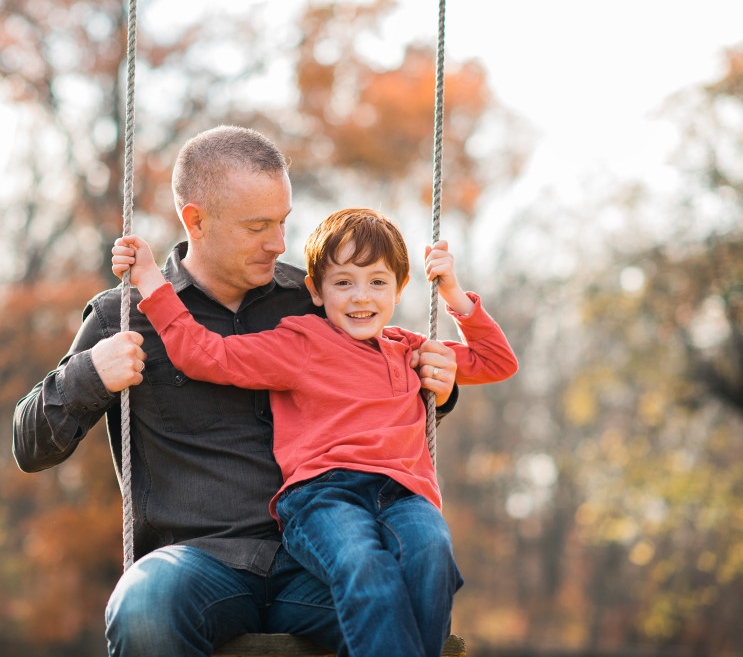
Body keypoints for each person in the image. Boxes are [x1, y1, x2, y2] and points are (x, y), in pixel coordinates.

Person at [13, 125, 459, 657]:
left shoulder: (312, 298)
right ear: (196, 220)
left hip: (314, 554)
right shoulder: (124, 316)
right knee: (143, 605)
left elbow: (380, 393)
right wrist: (89, 374)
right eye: (258, 226)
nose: (279, 243)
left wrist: (439, 385)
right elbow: (31, 447)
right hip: (199, 564)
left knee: (407, 582)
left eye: (283, 222)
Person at [112, 206, 518, 657]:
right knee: (366, 569)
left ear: (401, 289)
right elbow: (204, 354)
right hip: (324, 496)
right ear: (316, 292)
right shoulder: (300, 342)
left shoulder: (410, 349)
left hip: (404, 495)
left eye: (377, 282)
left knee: (432, 553)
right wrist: (151, 281)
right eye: (343, 282)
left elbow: (498, 361)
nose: (361, 297)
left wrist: (454, 294)